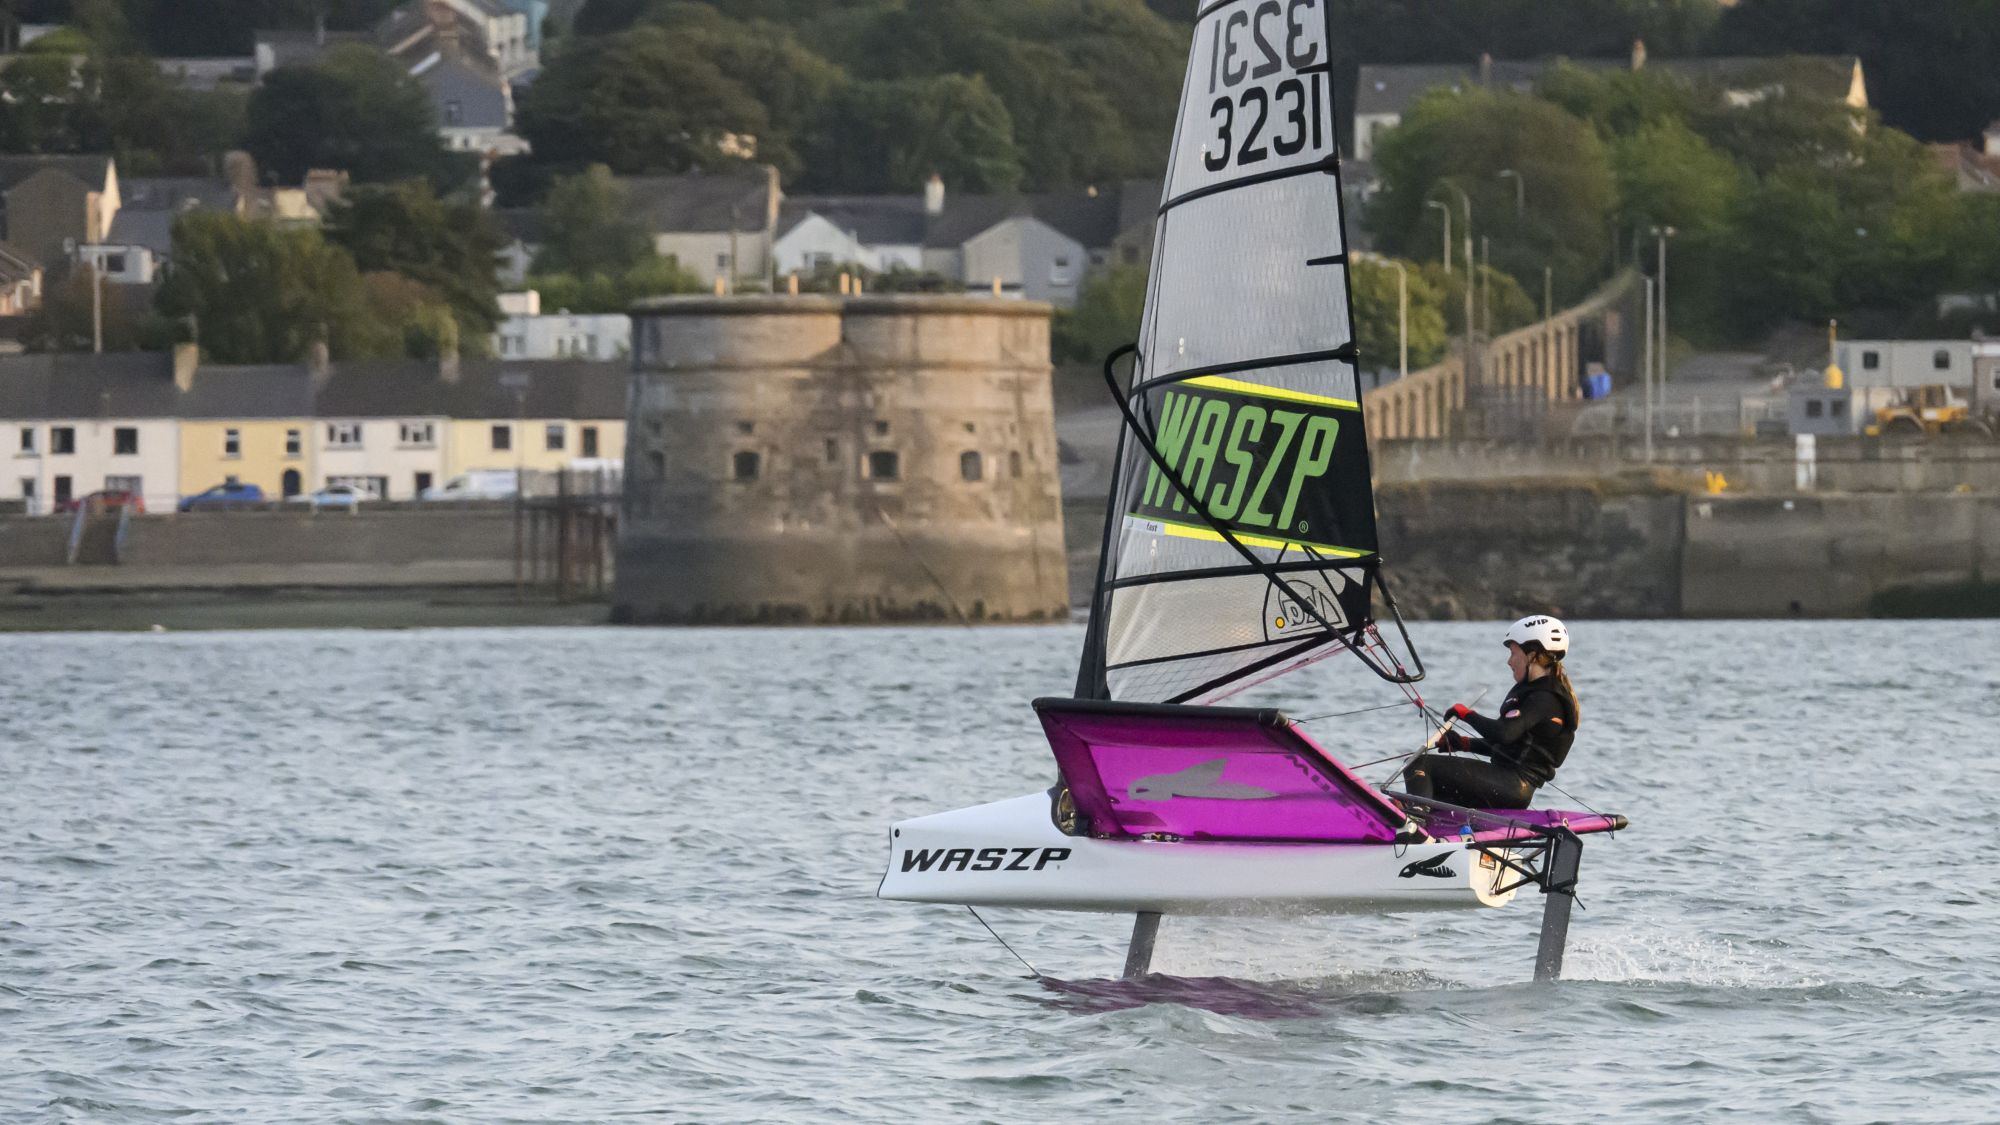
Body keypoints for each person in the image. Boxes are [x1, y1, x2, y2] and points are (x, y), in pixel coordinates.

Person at [1401, 615, 1579, 811]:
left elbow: (1503, 732)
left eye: (1513, 653)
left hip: (1511, 784)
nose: (1509, 661)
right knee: (1437, 789)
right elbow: (1508, 744)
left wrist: (1466, 714)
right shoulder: (1538, 692)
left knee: (1418, 764)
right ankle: (1424, 818)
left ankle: (1414, 821)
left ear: (1532, 654)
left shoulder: (1544, 698)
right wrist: (1464, 744)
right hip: (1509, 786)